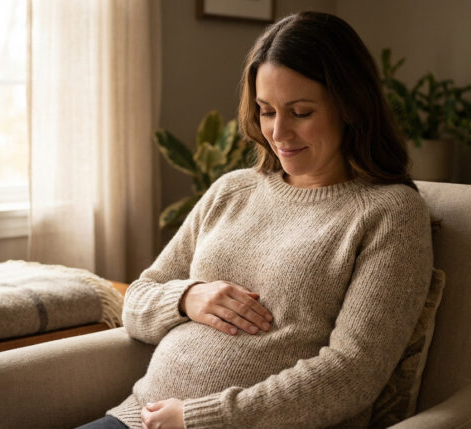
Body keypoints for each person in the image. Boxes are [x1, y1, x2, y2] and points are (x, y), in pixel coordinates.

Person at [78, 11, 433, 429]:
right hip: (140, 418)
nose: (278, 132)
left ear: (350, 107)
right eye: (266, 111)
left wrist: (197, 419)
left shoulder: (389, 214)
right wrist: (188, 298)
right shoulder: (233, 190)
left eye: (301, 112)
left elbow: (352, 374)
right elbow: (136, 302)